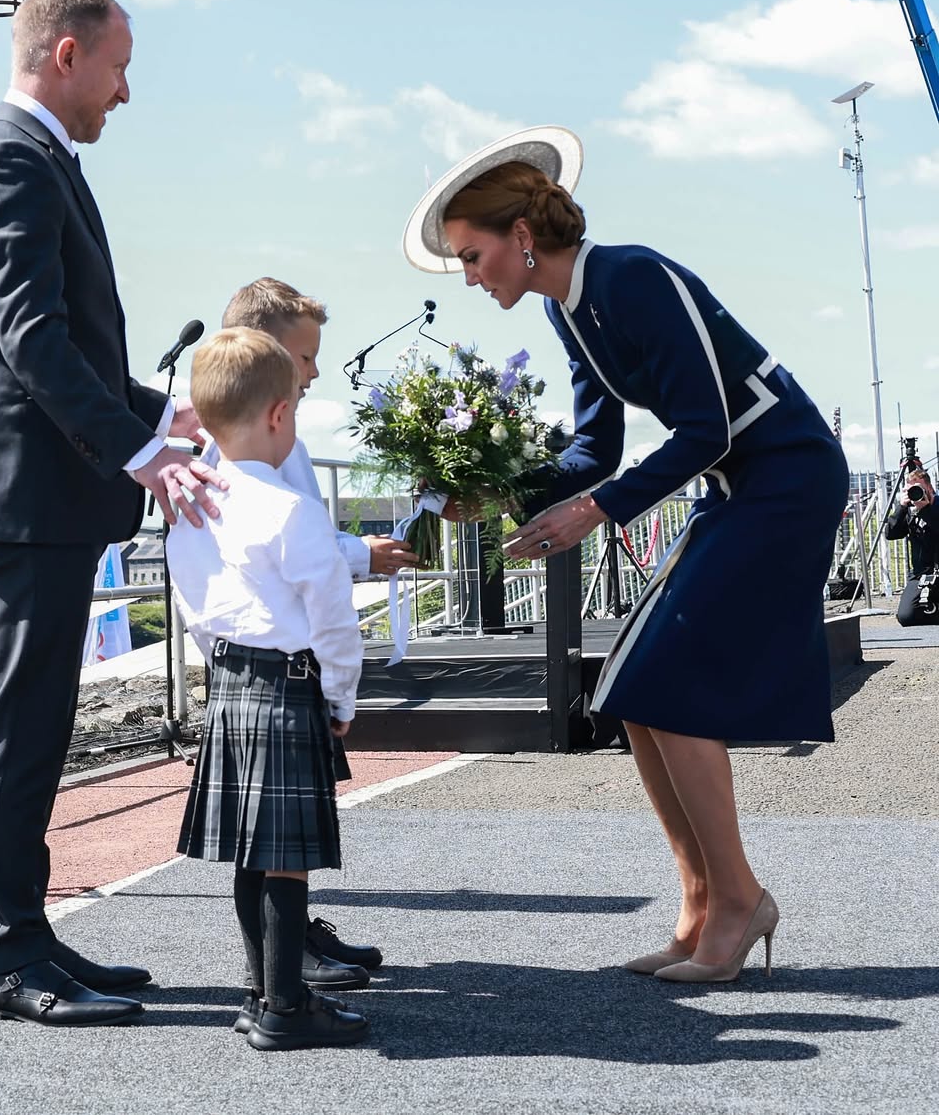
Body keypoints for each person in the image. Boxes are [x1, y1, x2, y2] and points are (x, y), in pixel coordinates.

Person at [403, 126, 849, 985]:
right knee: (637, 686)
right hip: (738, 485)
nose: (468, 275)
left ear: (521, 239)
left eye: (471, 255)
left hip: (787, 476)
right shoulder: (563, 307)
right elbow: (592, 454)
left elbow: (707, 429)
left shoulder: (633, 275)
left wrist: (592, 514)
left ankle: (739, 899)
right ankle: (699, 902)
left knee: (669, 681)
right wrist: (494, 492)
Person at [0, 0, 220, 1026]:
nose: (125, 90)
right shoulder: (12, 159)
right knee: (22, 725)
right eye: (118, 65)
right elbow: (30, 340)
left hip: (43, 492)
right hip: (26, 495)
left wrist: (162, 408)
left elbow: (65, 347)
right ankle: (2, 954)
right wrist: (140, 447)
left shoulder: (33, 158)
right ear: (64, 54)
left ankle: (29, 932)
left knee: (42, 723)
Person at [165, 327, 369, 1050]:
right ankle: (286, 1008)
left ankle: (259, 993)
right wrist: (342, 696)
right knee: (286, 855)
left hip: (230, 682)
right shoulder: (292, 510)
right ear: (280, 414)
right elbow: (335, 621)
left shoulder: (189, 511)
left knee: (253, 852)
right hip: (290, 686)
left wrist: (226, 673)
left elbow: (192, 609)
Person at [213, 277, 415, 985]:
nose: (317, 370)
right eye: (306, 357)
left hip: (254, 659)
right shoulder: (251, 439)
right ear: (265, 354)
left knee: (267, 830)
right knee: (274, 835)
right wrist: (342, 695)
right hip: (283, 659)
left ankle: (286, 952)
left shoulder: (254, 432)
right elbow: (294, 549)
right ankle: (281, 973)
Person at [884, 467, 939, 625]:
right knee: (906, 616)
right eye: (912, 490)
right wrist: (901, 507)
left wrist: (925, 509)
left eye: (919, 488)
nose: (916, 493)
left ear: (929, 487)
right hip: (920, 575)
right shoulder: (909, 512)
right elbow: (891, 534)